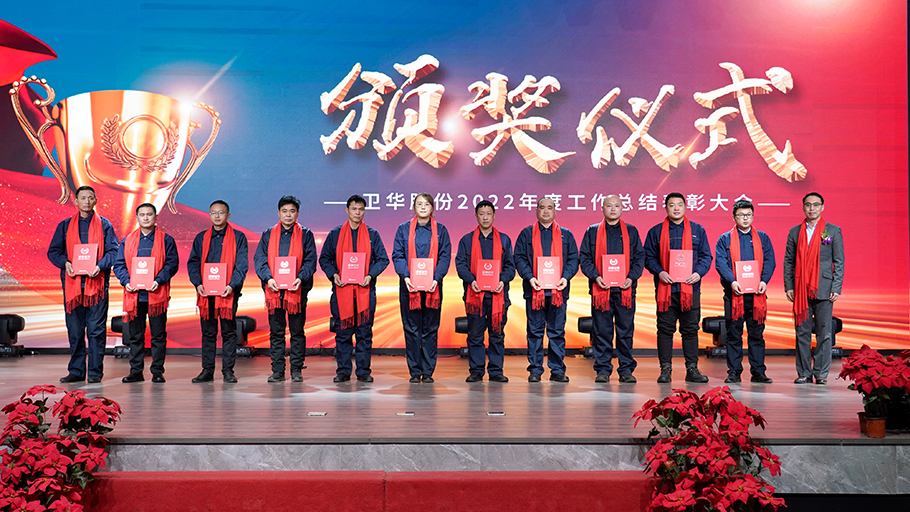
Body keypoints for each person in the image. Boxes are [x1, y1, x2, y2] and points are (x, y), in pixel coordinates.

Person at [47, 186, 119, 384]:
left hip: (97, 286)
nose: (86, 201)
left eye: (90, 198)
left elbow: (114, 251)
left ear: (95, 201)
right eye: (83, 198)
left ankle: (95, 372)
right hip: (73, 288)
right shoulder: (65, 226)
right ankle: (76, 371)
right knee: (76, 331)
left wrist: (100, 266)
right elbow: (53, 252)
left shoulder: (104, 225)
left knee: (96, 331)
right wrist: (65, 263)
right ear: (76, 201)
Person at [319, 194, 389, 383]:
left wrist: (370, 275)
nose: (357, 212)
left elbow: (383, 259)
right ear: (347, 210)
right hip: (342, 292)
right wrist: (334, 274)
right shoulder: (335, 234)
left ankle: (364, 371)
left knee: (364, 334)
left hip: (365, 292)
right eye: (354, 209)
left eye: (361, 209)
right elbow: (324, 258)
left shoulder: (372, 234)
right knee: (343, 333)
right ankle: (343, 371)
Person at [644, 193, 713, 383]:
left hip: (690, 289)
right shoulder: (656, 231)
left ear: (685, 207)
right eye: (672, 205)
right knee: (665, 330)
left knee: (690, 330)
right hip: (666, 290)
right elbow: (648, 257)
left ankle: (692, 369)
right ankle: (665, 369)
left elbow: (706, 256)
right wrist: (659, 272)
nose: (676, 208)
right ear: (666, 208)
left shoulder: (698, 230)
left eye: (679, 204)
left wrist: (698, 273)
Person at [579, 195, 644, 383]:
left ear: (622, 208)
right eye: (609, 205)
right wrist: (596, 277)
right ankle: (603, 370)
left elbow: (639, 257)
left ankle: (626, 370)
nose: (613, 209)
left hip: (625, 291)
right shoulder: (592, 232)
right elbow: (585, 258)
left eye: (617, 205)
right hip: (601, 290)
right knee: (601, 331)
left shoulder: (631, 231)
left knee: (625, 331)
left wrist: (631, 278)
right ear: (602, 208)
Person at [514, 197, 579, 382]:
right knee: (534, 332)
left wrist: (565, 277)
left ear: (555, 211)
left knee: (557, 332)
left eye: (549, 208)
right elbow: (519, 258)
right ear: (537, 211)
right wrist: (530, 277)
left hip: (558, 292)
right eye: (542, 207)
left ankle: (557, 370)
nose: (546, 211)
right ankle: (535, 370)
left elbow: (574, 259)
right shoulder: (526, 234)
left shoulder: (566, 235)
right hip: (534, 291)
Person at [253, 195, 317, 383]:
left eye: (292, 211)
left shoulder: (306, 234)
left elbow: (310, 261)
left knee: (297, 332)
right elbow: (260, 259)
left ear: (297, 213)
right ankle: (278, 370)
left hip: (297, 291)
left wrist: (300, 278)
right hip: (274, 291)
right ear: (278, 213)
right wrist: (268, 278)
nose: (288, 215)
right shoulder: (268, 234)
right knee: (276, 332)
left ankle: (296, 369)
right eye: (284, 211)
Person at [113, 203, 179, 383]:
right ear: (137, 218)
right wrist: (126, 282)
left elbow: (172, 264)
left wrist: (158, 281)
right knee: (135, 336)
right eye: (142, 215)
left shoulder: (166, 240)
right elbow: (119, 265)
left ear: (156, 217)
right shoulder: (127, 240)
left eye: (149, 214)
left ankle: (157, 371)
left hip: (157, 294)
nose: (146, 218)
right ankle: (136, 371)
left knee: (158, 335)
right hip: (135, 296)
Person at [784, 192, 844, 385]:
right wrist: (789, 286)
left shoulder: (832, 231)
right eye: (808, 205)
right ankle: (803, 372)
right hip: (801, 289)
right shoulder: (795, 232)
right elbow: (789, 262)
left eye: (816, 205)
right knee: (801, 333)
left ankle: (820, 374)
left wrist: (836, 286)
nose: (812, 208)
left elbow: (838, 261)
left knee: (824, 333)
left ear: (822, 207)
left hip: (824, 288)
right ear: (803, 207)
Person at [187, 200, 249, 383]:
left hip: (228, 292)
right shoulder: (201, 238)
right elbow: (193, 263)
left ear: (228, 215)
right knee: (208, 333)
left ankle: (228, 371)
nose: (217, 216)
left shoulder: (238, 237)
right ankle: (207, 370)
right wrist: (198, 283)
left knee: (229, 332)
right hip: (206, 293)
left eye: (221, 212)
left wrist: (232, 285)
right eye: (213, 212)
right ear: (209, 215)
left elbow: (241, 265)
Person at [391, 194, 451, 383]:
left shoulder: (441, 230)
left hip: (433, 287)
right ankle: (415, 372)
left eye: (426, 204)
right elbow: (397, 255)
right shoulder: (403, 229)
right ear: (414, 207)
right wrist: (406, 276)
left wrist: (436, 278)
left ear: (432, 208)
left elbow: (445, 256)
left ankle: (428, 372)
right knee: (411, 330)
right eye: (419, 204)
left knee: (430, 330)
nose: (423, 207)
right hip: (409, 287)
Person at [714, 200, 775, 384]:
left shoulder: (762, 238)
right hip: (734, 295)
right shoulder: (724, 239)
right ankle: (734, 372)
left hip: (757, 295)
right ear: (734, 217)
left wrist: (764, 281)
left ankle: (758, 372)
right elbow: (721, 263)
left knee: (756, 335)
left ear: (753, 216)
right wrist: (732, 282)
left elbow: (770, 261)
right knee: (733, 335)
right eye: (741, 215)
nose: (745, 218)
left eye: (748, 215)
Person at [455, 200, 516, 383]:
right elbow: (460, 265)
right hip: (475, 296)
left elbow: (510, 267)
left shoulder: (504, 240)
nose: (485, 217)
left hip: (498, 297)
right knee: (475, 335)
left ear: (494, 216)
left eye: (488, 214)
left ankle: (496, 371)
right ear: (476, 216)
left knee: (497, 334)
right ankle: (476, 370)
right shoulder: (466, 240)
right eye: (481, 214)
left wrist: (502, 280)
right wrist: (471, 280)